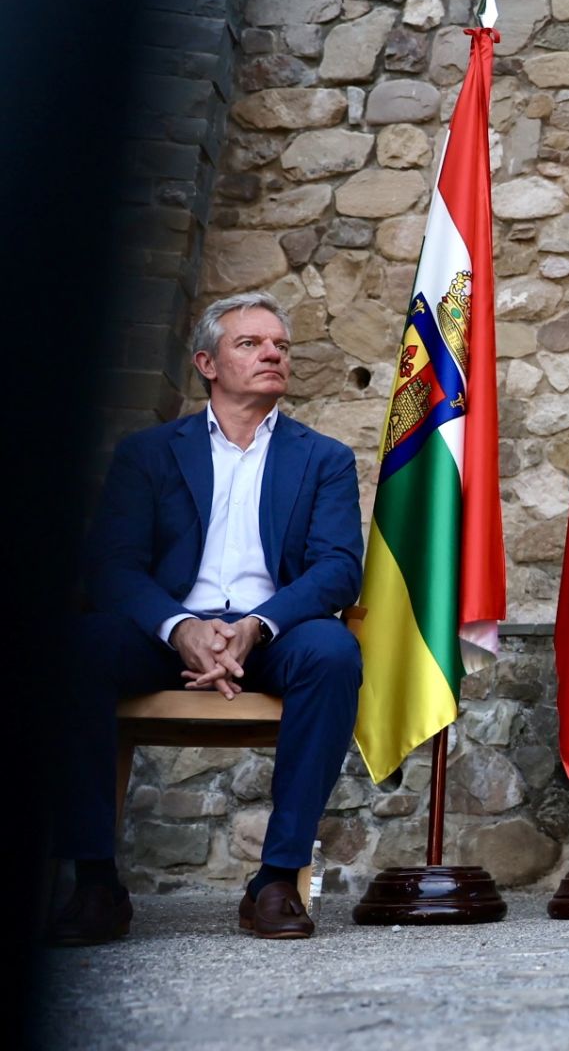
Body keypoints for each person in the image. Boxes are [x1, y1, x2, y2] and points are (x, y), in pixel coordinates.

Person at [47, 293, 365, 945]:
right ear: (207, 363)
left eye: (279, 344)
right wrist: (182, 629)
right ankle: (96, 883)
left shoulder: (323, 458)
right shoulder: (149, 453)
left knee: (333, 653)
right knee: (79, 646)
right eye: (250, 343)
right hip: (162, 634)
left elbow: (337, 570)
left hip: (274, 635)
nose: (273, 352)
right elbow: (112, 568)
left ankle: (276, 878)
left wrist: (255, 627)